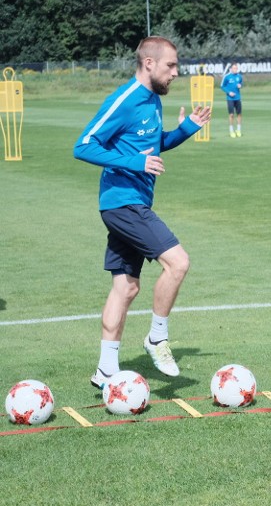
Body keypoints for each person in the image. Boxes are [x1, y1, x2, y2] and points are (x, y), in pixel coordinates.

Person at [73, 36, 212, 389]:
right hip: (122, 203)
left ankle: (105, 369)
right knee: (177, 262)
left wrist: (186, 130)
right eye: (171, 66)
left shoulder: (153, 100)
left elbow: (152, 144)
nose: (176, 73)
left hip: (134, 202)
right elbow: (84, 145)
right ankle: (156, 338)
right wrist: (134, 162)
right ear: (148, 63)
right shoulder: (124, 99)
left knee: (126, 287)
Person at [221, 63, 243, 138]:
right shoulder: (227, 77)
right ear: (231, 69)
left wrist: (240, 86)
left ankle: (238, 130)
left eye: (236, 68)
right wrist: (229, 92)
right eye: (234, 68)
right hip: (230, 99)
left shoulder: (239, 76)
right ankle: (231, 131)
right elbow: (222, 86)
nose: (235, 70)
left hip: (238, 98)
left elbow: (240, 83)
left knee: (239, 114)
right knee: (231, 114)